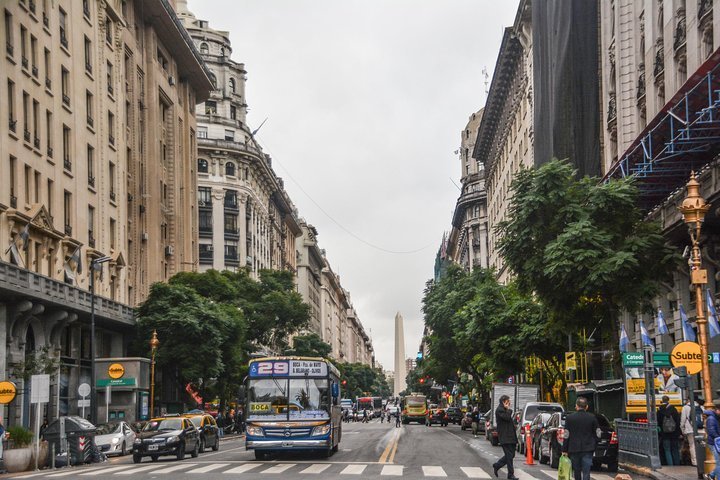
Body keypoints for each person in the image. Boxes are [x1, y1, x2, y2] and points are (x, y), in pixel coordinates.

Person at [562, 397, 599, 480]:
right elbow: (598, 433)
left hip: (574, 448)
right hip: (588, 449)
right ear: (586, 407)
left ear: (576, 406)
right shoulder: (592, 417)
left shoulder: (570, 418)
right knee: (586, 471)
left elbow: (566, 435)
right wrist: (594, 444)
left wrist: (565, 449)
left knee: (576, 470)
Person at [492, 395, 518, 480]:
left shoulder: (505, 410)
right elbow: (506, 418)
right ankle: (510, 474)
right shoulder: (500, 410)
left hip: (510, 437)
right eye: (507, 401)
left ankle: (497, 465)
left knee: (511, 455)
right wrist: (508, 409)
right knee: (509, 456)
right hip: (505, 437)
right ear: (503, 401)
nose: (509, 402)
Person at [657, 395, 681, 465]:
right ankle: (677, 463)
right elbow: (677, 420)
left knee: (667, 449)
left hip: (665, 433)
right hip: (674, 432)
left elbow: (658, 421)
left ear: (662, 400)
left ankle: (670, 464)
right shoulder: (674, 409)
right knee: (675, 449)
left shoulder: (660, 410)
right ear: (668, 400)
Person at [704, 401, 720, 480]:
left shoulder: (715, 418)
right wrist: (718, 437)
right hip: (714, 443)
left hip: (716, 442)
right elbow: (712, 431)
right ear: (717, 410)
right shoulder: (711, 419)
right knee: (719, 463)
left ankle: (711, 475)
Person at [680, 398, 697, 466]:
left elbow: (683, 419)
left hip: (690, 429)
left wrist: (682, 429)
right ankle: (702, 459)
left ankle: (695, 461)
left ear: (688, 400)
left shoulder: (686, 407)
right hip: (700, 428)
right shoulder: (700, 406)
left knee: (692, 445)